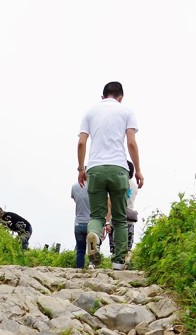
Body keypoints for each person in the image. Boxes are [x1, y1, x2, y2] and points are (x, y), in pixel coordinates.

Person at [77, 81, 143, 269]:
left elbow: (81, 143)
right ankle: (118, 262)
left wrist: (81, 169)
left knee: (97, 216)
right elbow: (131, 143)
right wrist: (137, 170)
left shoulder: (90, 112)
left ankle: (95, 238)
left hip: (95, 169)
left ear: (102, 97)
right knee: (119, 218)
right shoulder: (127, 111)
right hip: (119, 169)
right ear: (120, 97)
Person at [108, 160, 139, 258]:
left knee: (115, 247)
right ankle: (125, 263)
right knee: (128, 247)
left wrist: (107, 221)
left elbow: (110, 203)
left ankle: (117, 265)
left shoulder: (117, 183)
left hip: (116, 217)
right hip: (130, 219)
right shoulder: (134, 186)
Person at [71, 178, 90, 269]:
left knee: (80, 250)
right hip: (91, 222)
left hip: (78, 222)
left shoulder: (74, 186)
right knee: (93, 248)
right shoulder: (93, 186)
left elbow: (76, 200)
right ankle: (92, 266)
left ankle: (79, 269)